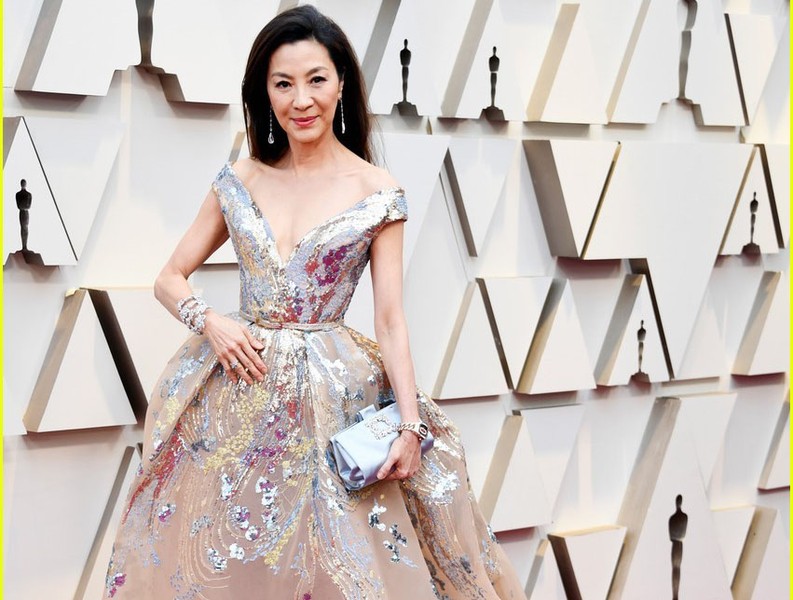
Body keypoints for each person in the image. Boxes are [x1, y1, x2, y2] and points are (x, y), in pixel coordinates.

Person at [104, 6, 526, 599]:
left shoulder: (377, 192)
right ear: (265, 93)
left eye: (316, 80)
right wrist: (213, 323)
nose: (301, 100)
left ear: (341, 84)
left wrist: (410, 426)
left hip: (333, 399)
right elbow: (169, 277)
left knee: (337, 559)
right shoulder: (241, 178)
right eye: (283, 84)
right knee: (227, 559)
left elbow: (390, 319)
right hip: (237, 392)